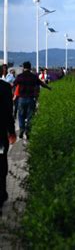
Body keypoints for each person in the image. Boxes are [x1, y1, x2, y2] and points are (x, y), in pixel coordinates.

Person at [13, 62, 52, 140]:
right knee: (30, 116)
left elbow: (13, 84)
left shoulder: (20, 76)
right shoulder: (34, 77)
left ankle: (21, 129)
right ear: (30, 68)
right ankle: (27, 130)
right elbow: (41, 83)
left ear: (23, 67)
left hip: (22, 99)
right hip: (31, 99)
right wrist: (49, 88)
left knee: (20, 115)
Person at [0, 78, 16, 211]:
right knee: (1, 161)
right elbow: (8, 111)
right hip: (0, 136)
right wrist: (11, 131)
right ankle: (1, 193)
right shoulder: (4, 87)